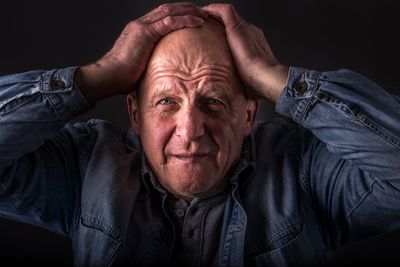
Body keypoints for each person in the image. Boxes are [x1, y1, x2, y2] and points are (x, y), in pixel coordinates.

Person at [0, 2, 399, 266]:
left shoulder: (305, 171)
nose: (189, 132)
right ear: (134, 115)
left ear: (248, 115)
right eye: (166, 103)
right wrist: (97, 75)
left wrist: (273, 76)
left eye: (214, 101)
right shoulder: (86, 165)